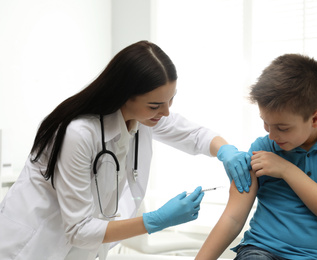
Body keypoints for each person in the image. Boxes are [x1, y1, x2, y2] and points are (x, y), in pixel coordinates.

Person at [0, 41, 251, 260]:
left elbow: (194, 134)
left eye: (170, 100)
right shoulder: (79, 133)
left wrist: (226, 150)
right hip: (31, 248)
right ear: (124, 95)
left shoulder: (142, 118)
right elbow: (79, 229)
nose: (165, 112)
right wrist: (156, 220)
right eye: (155, 105)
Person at [195, 53, 317, 260]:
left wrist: (286, 169)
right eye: (266, 123)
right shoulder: (261, 148)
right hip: (261, 251)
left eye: (282, 127)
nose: (272, 136)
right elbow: (233, 217)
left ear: (315, 119)